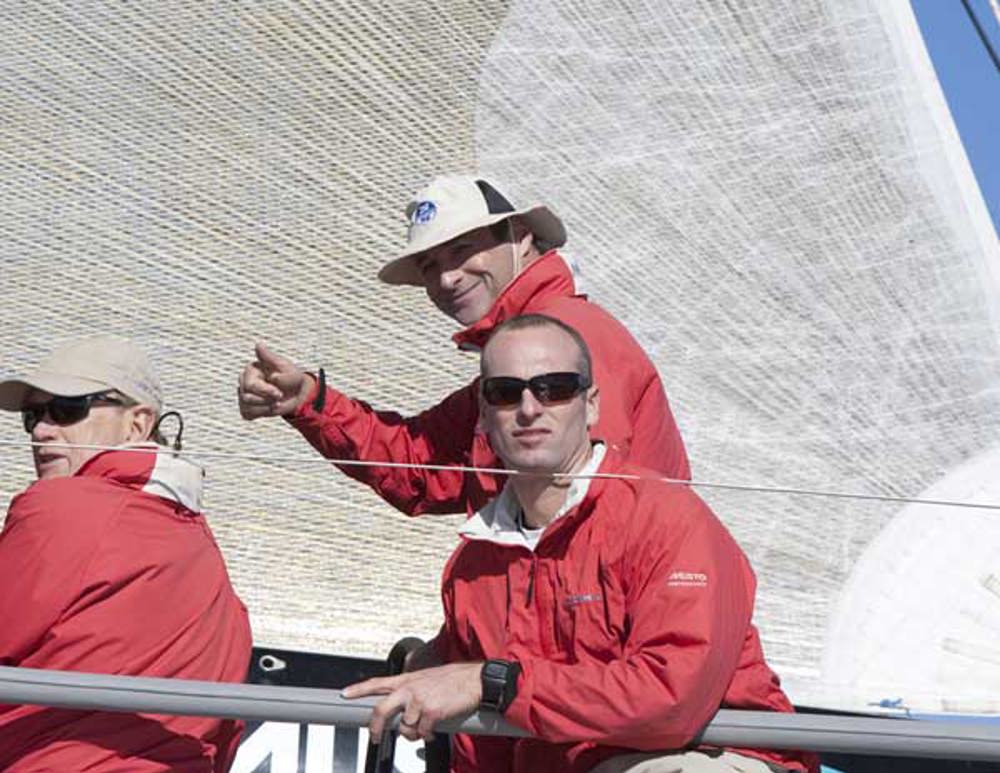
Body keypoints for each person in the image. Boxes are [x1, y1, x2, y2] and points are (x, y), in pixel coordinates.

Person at [343, 314, 818, 773]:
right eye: (506, 393)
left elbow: (671, 699)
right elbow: (481, 747)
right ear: (485, 417)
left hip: (710, 756)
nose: (530, 408)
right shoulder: (474, 565)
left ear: (591, 404)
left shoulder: (667, 518)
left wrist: (490, 681)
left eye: (555, 388)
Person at [237, 175, 690, 515]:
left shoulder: (566, 339)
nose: (446, 278)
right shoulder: (519, 363)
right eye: (430, 265)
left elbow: (583, 521)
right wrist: (311, 403)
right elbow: (420, 464)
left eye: (462, 250)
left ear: (521, 237)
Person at [0, 335, 252, 772]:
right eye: (33, 415)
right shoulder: (203, 549)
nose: (42, 430)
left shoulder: (60, 505)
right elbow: (225, 728)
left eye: (67, 409)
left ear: (137, 425)